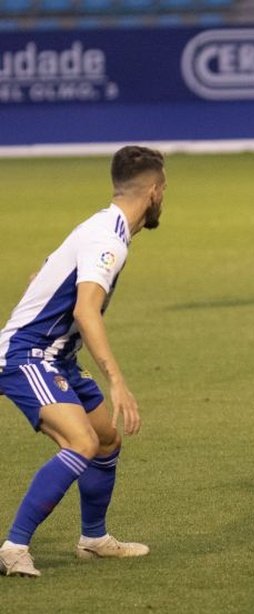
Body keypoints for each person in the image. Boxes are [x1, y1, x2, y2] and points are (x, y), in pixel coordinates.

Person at [0, 146, 164, 578]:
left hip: (60, 356)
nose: (163, 197)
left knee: (106, 440)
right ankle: (14, 547)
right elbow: (85, 311)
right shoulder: (109, 239)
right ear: (153, 191)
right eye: (163, 189)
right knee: (82, 443)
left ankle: (93, 540)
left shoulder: (100, 225)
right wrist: (117, 380)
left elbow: (43, 273)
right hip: (29, 354)